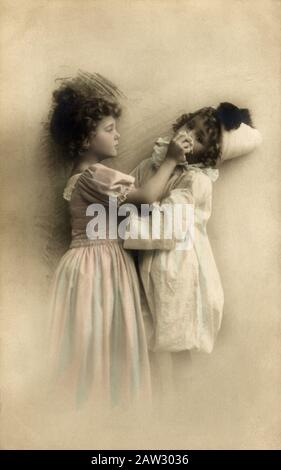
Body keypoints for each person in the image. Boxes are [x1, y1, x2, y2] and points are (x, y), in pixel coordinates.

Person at [45, 71, 189, 412]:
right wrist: (170, 160)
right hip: (98, 266)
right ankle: (106, 417)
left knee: (96, 341)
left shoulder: (83, 177)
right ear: (84, 139)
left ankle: (97, 414)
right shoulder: (95, 175)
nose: (117, 134)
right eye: (109, 129)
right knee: (102, 339)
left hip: (92, 263)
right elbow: (146, 198)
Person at [126, 102, 262, 396]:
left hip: (179, 272)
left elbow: (167, 227)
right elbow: (129, 195)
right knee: (146, 340)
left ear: (208, 153)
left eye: (200, 138)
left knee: (177, 344)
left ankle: (185, 413)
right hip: (143, 263)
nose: (190, 136)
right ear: (180, 124)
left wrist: (122, 227)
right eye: (191, 127)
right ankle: (152, 412)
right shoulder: (152, 164)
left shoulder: (196, 181)